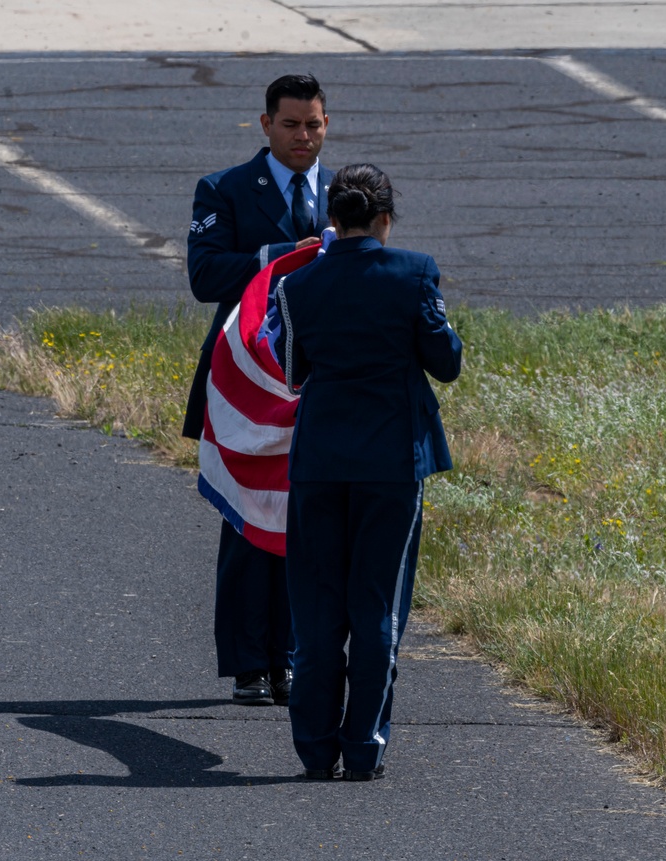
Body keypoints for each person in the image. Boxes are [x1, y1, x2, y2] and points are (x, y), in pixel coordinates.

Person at [274, 164, 462, 778]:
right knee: (376, 606)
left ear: (333, 218)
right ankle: (363, 749)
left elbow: (291, 369)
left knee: (318, 608)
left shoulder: (299, 285)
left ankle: (314, 747)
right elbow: (446, 360)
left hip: (321, 459)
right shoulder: (414, 273)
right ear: (385, 219)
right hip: (390, 459)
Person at [184, 74, 336, 705]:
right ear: (266, 124)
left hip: (318, 382)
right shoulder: (223, 189)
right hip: (246, 380)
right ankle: (250, 664)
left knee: (307, 526)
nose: (303, 136)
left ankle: (293, 659)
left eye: (314, 125)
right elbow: (204, 274)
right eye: (291, 124)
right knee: (247, 520)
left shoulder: (349, 191)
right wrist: (279, 254)